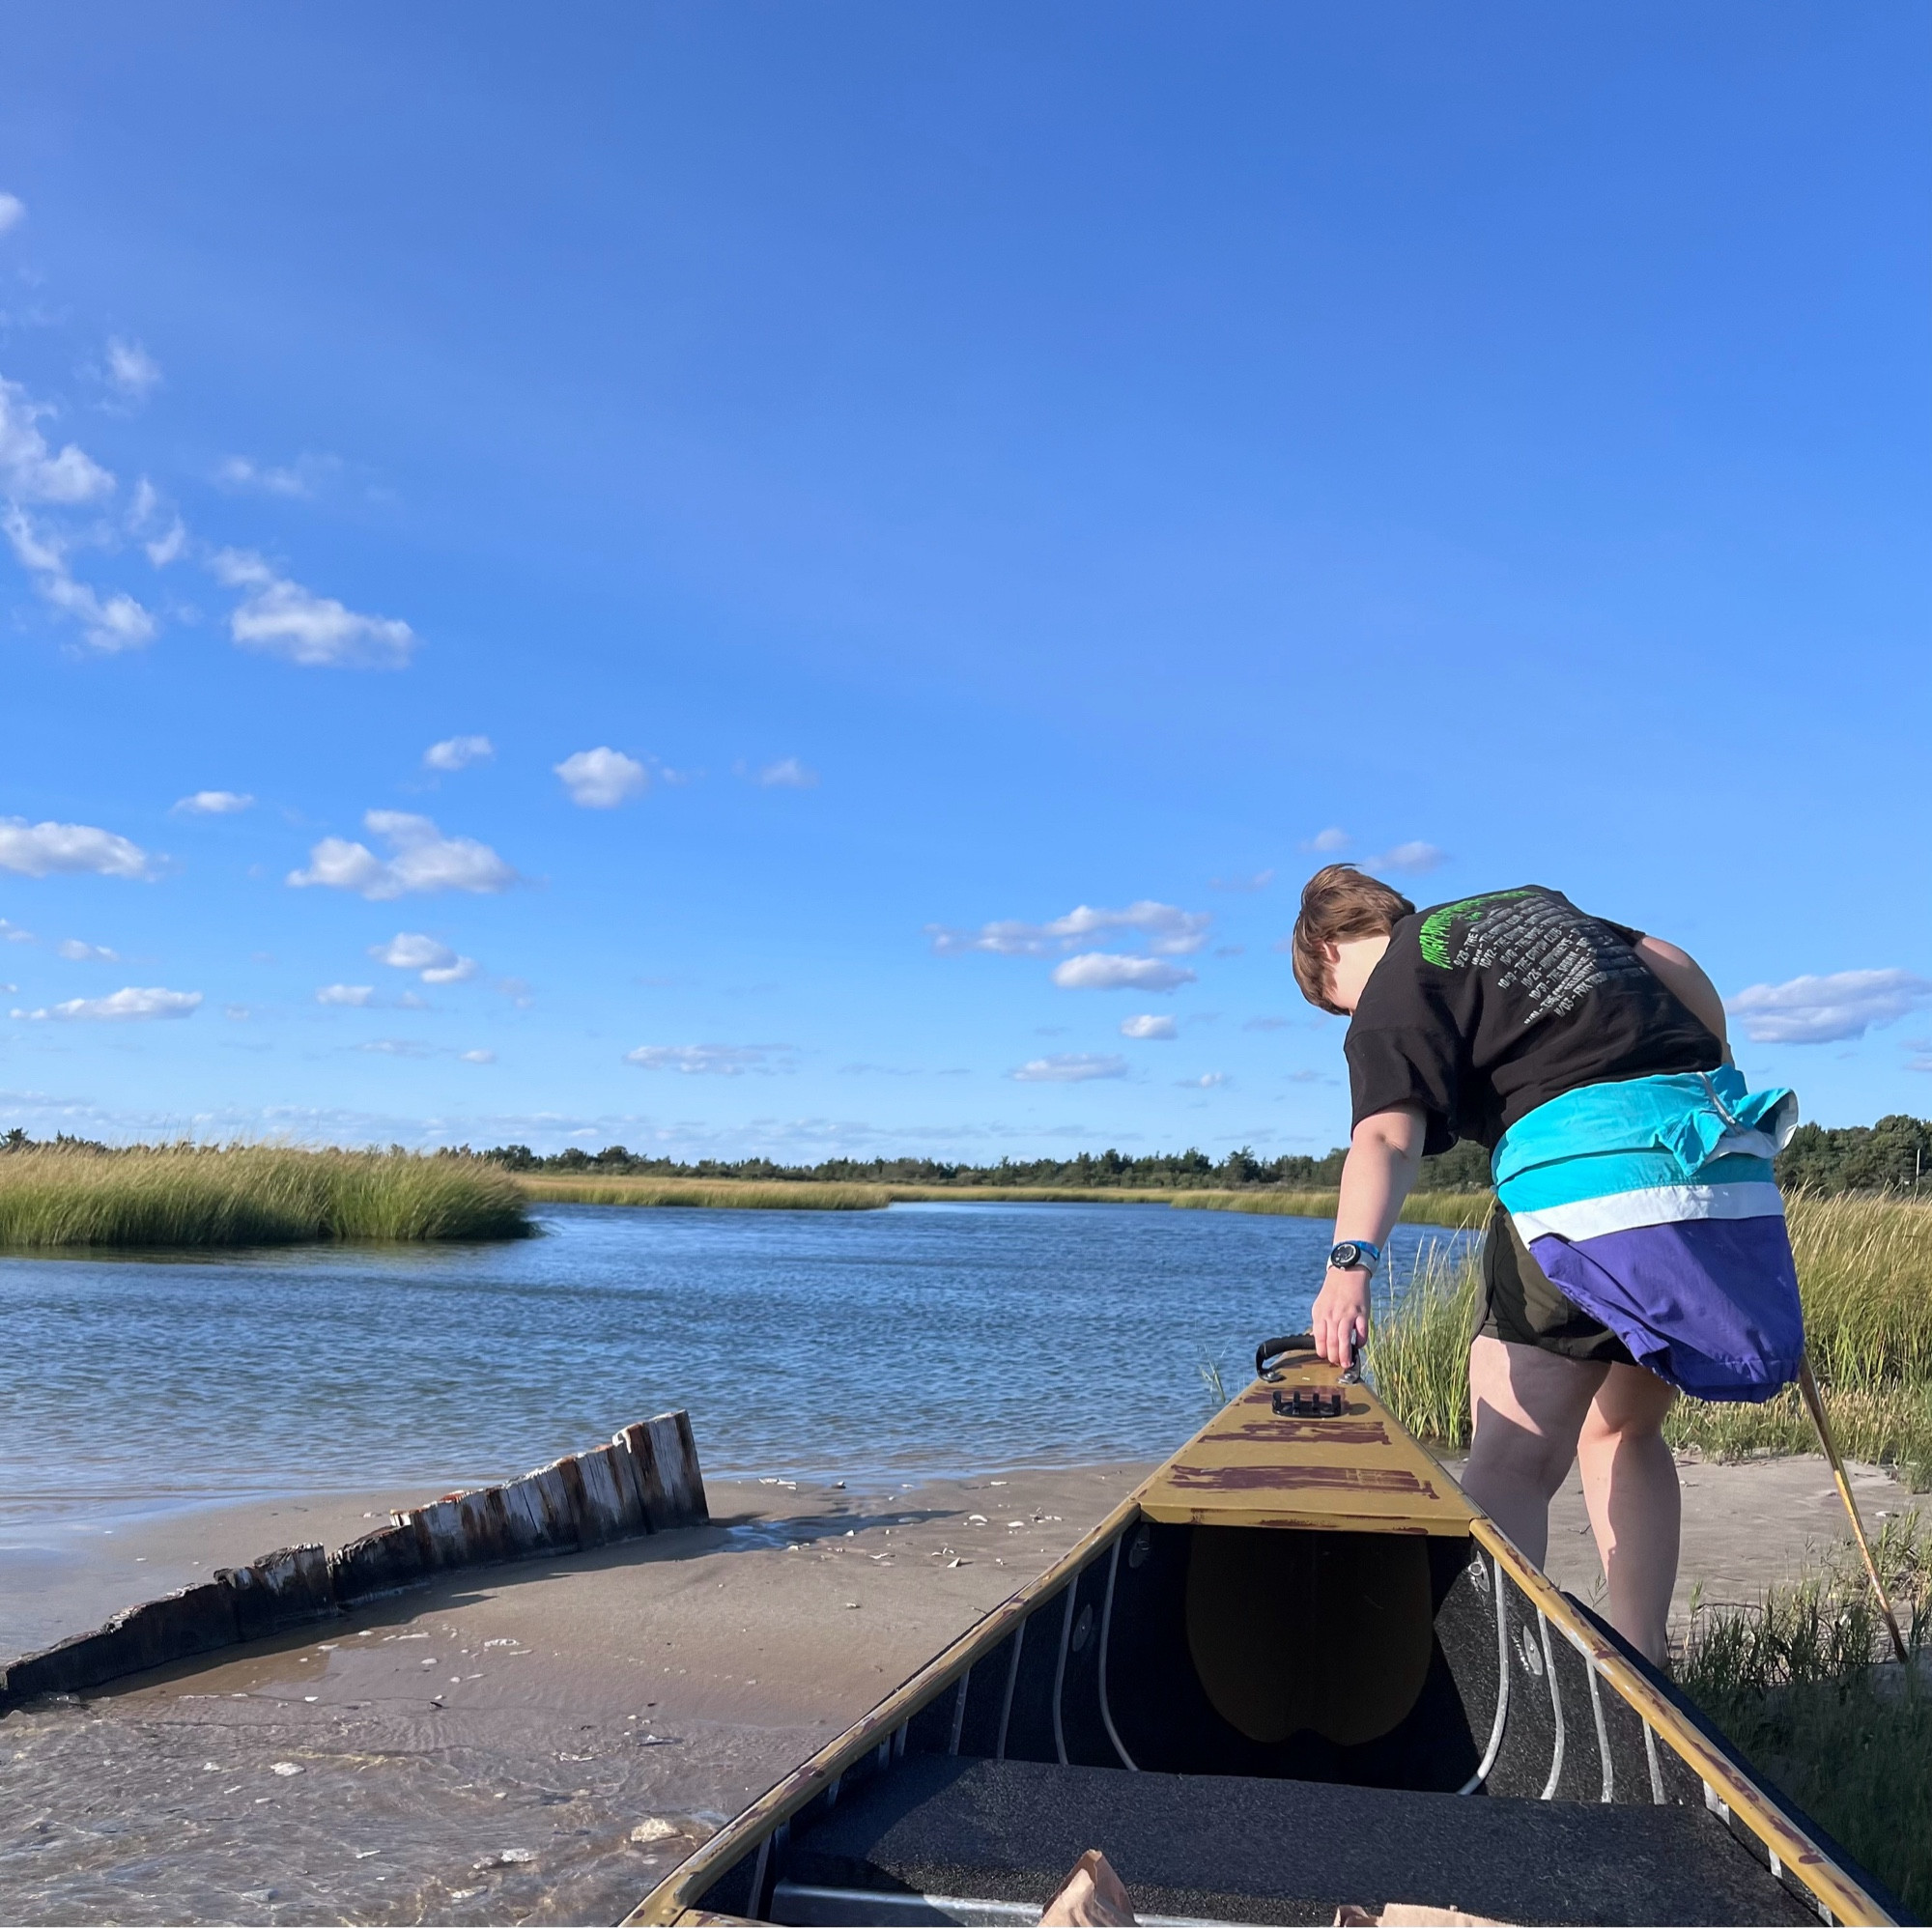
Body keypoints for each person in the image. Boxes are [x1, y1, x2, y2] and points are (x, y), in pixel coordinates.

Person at [1288, 866, 1788, 1665]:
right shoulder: (1530, 910)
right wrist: (1717, 1056)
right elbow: (1668, 959)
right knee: (1622, 1430)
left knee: (1514, 1457)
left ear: (1327, 949)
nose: (1349, 1015)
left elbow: (1384, 1136)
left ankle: (1497, 1687)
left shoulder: (1396, 977)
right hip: (1706, 1163)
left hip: (1587, 1186)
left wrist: (1350, 1266)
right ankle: (1646, 1663)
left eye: (1333, 1000)